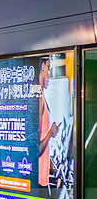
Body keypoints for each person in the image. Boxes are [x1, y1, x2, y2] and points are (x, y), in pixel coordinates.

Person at [38, 57, 59, 188]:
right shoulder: (38, 100)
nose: (49, 75)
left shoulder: (41, 97)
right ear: (42, 67)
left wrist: (50, 162)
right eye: (49, 68)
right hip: (38, 179)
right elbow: (35, 149)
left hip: (42, 175)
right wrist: (51, 133)